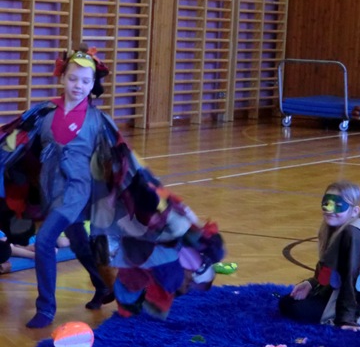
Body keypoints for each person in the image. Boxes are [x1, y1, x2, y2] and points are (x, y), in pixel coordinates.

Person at [0, 44, 225, 328]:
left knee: (45, 241)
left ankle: (46, 308)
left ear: (93, 84)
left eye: (85, 81)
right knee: (79, 242)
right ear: (62, 78)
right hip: (50, 193)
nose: (78, 85)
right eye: (73, 78)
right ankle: (101, 286)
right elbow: (12, 141)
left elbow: (124, 158)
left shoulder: (98, 121)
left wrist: (149, 192)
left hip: (79, 194)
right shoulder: (43, 113)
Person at [279, 180, 360, 330]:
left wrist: (346, 320)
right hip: (351, 293)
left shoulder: (353, 234)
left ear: (355, 211)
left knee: (295, 309)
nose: (330, 210)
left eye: (338, 205)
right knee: (288, 301)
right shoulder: (334, 227)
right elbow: (334, 269)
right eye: (327, 203)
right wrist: (311, 284)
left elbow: (351, 278)